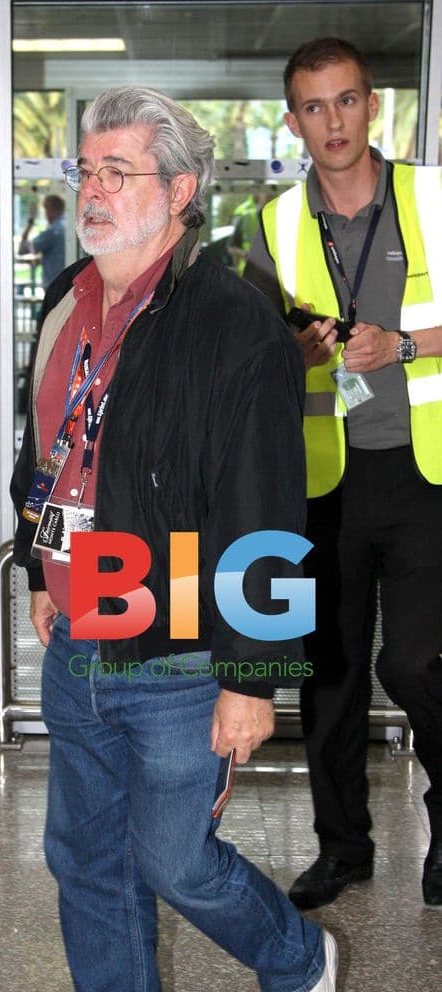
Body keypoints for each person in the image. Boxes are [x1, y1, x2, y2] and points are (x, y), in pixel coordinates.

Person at [11, 85, 338, 992]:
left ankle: (293, 955)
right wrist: (39, 570)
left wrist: (253, 677)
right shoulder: (70, 294)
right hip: (81, 632)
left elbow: (266, 509)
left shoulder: (232, 318)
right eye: (86, 170)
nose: (94, 189)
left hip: (181, 643)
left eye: (119, 171)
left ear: (182, 188)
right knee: (84, 856)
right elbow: (50, 452)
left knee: (174, 856)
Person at [244, 37, 442, 910]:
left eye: (348, 101)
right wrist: (289, 353)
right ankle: (344, 849)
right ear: (294, 122)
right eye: (315, 107)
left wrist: (403, 345)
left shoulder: (432, 199)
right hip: (323, 480)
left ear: (373, 107)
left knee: (415, 663)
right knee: (326, 675)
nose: (334, 121)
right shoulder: (276, 224)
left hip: (424, 472)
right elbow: (249, 360)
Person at [19, 193, 66, 288]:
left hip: (53, 285)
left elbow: (22, 249)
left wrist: (31, 220)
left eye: (45, 210)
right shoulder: (68, 227)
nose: (44, 214)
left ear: (51, 210)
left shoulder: (52, 232)